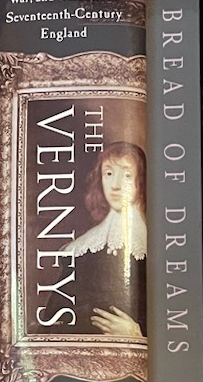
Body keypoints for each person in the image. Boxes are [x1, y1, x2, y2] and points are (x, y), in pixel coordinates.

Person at [61, 142, 148, 338]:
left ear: (141, 180)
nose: (115, 185)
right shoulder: (82, 248)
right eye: (108, 173)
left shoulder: (157, 243)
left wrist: (136, 333)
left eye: (127, 175)